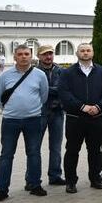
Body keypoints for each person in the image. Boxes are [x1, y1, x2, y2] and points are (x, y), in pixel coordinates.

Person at [0, 45, 49, 201]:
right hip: (11, 120)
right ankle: (2, 189)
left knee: (34, 153)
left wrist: (32, 108)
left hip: (33, 119)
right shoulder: (5, 75)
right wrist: (11, 110)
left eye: (26, 54)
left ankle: (35, 184)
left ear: (31, 56)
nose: (24, 57)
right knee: (6, 154)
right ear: (14, 57)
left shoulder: (39, 75)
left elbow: (43, 96)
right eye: (20, 54)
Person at [58, 43, 102, 194]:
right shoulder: (67, 73)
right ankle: (70, 182)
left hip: (97, 118)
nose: (85, 53)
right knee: (72, 150)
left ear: (93, 53)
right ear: (77, 53)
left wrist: (98, 106)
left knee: (95, 150)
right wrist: (82, 107)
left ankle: (95, 179)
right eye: (82, 51)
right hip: (75, 118)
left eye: (88, 50)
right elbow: (64, 93)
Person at [35, 44, 66, 186]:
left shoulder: (61, 71)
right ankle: (33, 179)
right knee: (34, 148)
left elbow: (63, 89)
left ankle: (55, 176)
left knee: (56, 147)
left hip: (57, 112)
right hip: (38, 113)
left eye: (50, 54)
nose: (48, 57)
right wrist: (52, 90)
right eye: (45, 54)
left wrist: (46, 90)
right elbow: (35, 90)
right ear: (38, 56)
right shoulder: (33, 71)